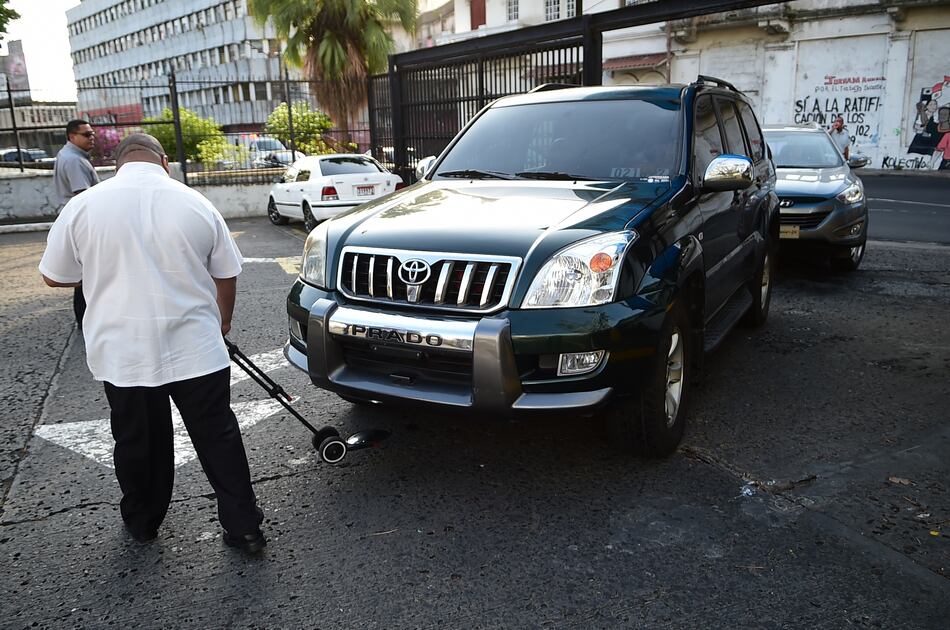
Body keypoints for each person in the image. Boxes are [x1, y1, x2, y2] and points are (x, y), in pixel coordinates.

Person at [39, 133, 266, 554]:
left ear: (117, 163)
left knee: (137, 440)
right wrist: (223, 321)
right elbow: (226, 272)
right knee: (218, 437)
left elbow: (56, 276)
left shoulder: (85, 205)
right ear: (164, 161)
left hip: (123, 350)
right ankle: (244, 526)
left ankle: (143, 523)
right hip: (196, 346)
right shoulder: (196, 202)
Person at [53, 119, 100, 328]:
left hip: (74, 218)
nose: (92, 137)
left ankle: (84, 318)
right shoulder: (74, 160)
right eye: (86, 134)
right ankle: (85, 319)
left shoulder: (69, 155)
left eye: (92, 134)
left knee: (84, 271)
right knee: (86, 272)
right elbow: (83, 196)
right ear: (72, 136)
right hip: (83, 220)